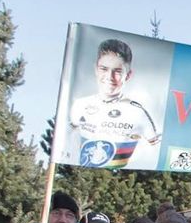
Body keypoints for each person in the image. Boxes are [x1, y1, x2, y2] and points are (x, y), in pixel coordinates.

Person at [66, 38, 160, 169]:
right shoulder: (80, 105)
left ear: (128, 75)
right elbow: (67, 142)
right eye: (104, 69)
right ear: (96, 69)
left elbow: (157, 150)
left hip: (121, 176)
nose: (109, 77)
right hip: (83, 173)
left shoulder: (138, 111)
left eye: (117, 71)